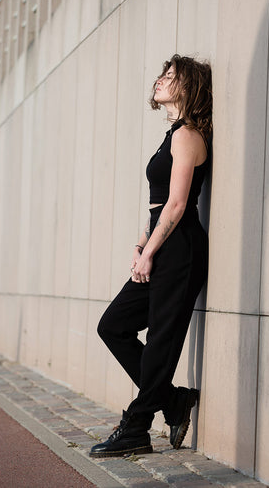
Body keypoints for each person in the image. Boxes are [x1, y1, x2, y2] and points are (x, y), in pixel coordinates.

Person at [90, 55, 212, 458]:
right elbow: (158, 204)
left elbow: (177, 204)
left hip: (180, 248)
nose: (159, 80)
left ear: (188, 87)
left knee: (162, 337)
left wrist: (151, 252)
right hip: (162, 242)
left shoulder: (189, 135)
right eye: (162, 74)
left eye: (170, 76)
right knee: (114, 326)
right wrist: (141, 244)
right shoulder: (172, 134)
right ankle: (173, 400)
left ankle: (137, 427)